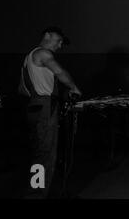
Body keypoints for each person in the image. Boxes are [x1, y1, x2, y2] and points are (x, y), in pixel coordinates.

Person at [19, 26, 82, 198]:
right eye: (59, 40)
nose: (60, 45)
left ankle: (35, 192)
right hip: (44, 108)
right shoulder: (43, 53)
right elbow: (60, 72)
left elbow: (22, 89)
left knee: (40, 153)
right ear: (47, 35)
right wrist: (75, 88)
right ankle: (36, 195)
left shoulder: (29, 57)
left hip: (35, 106)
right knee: (46, 155)